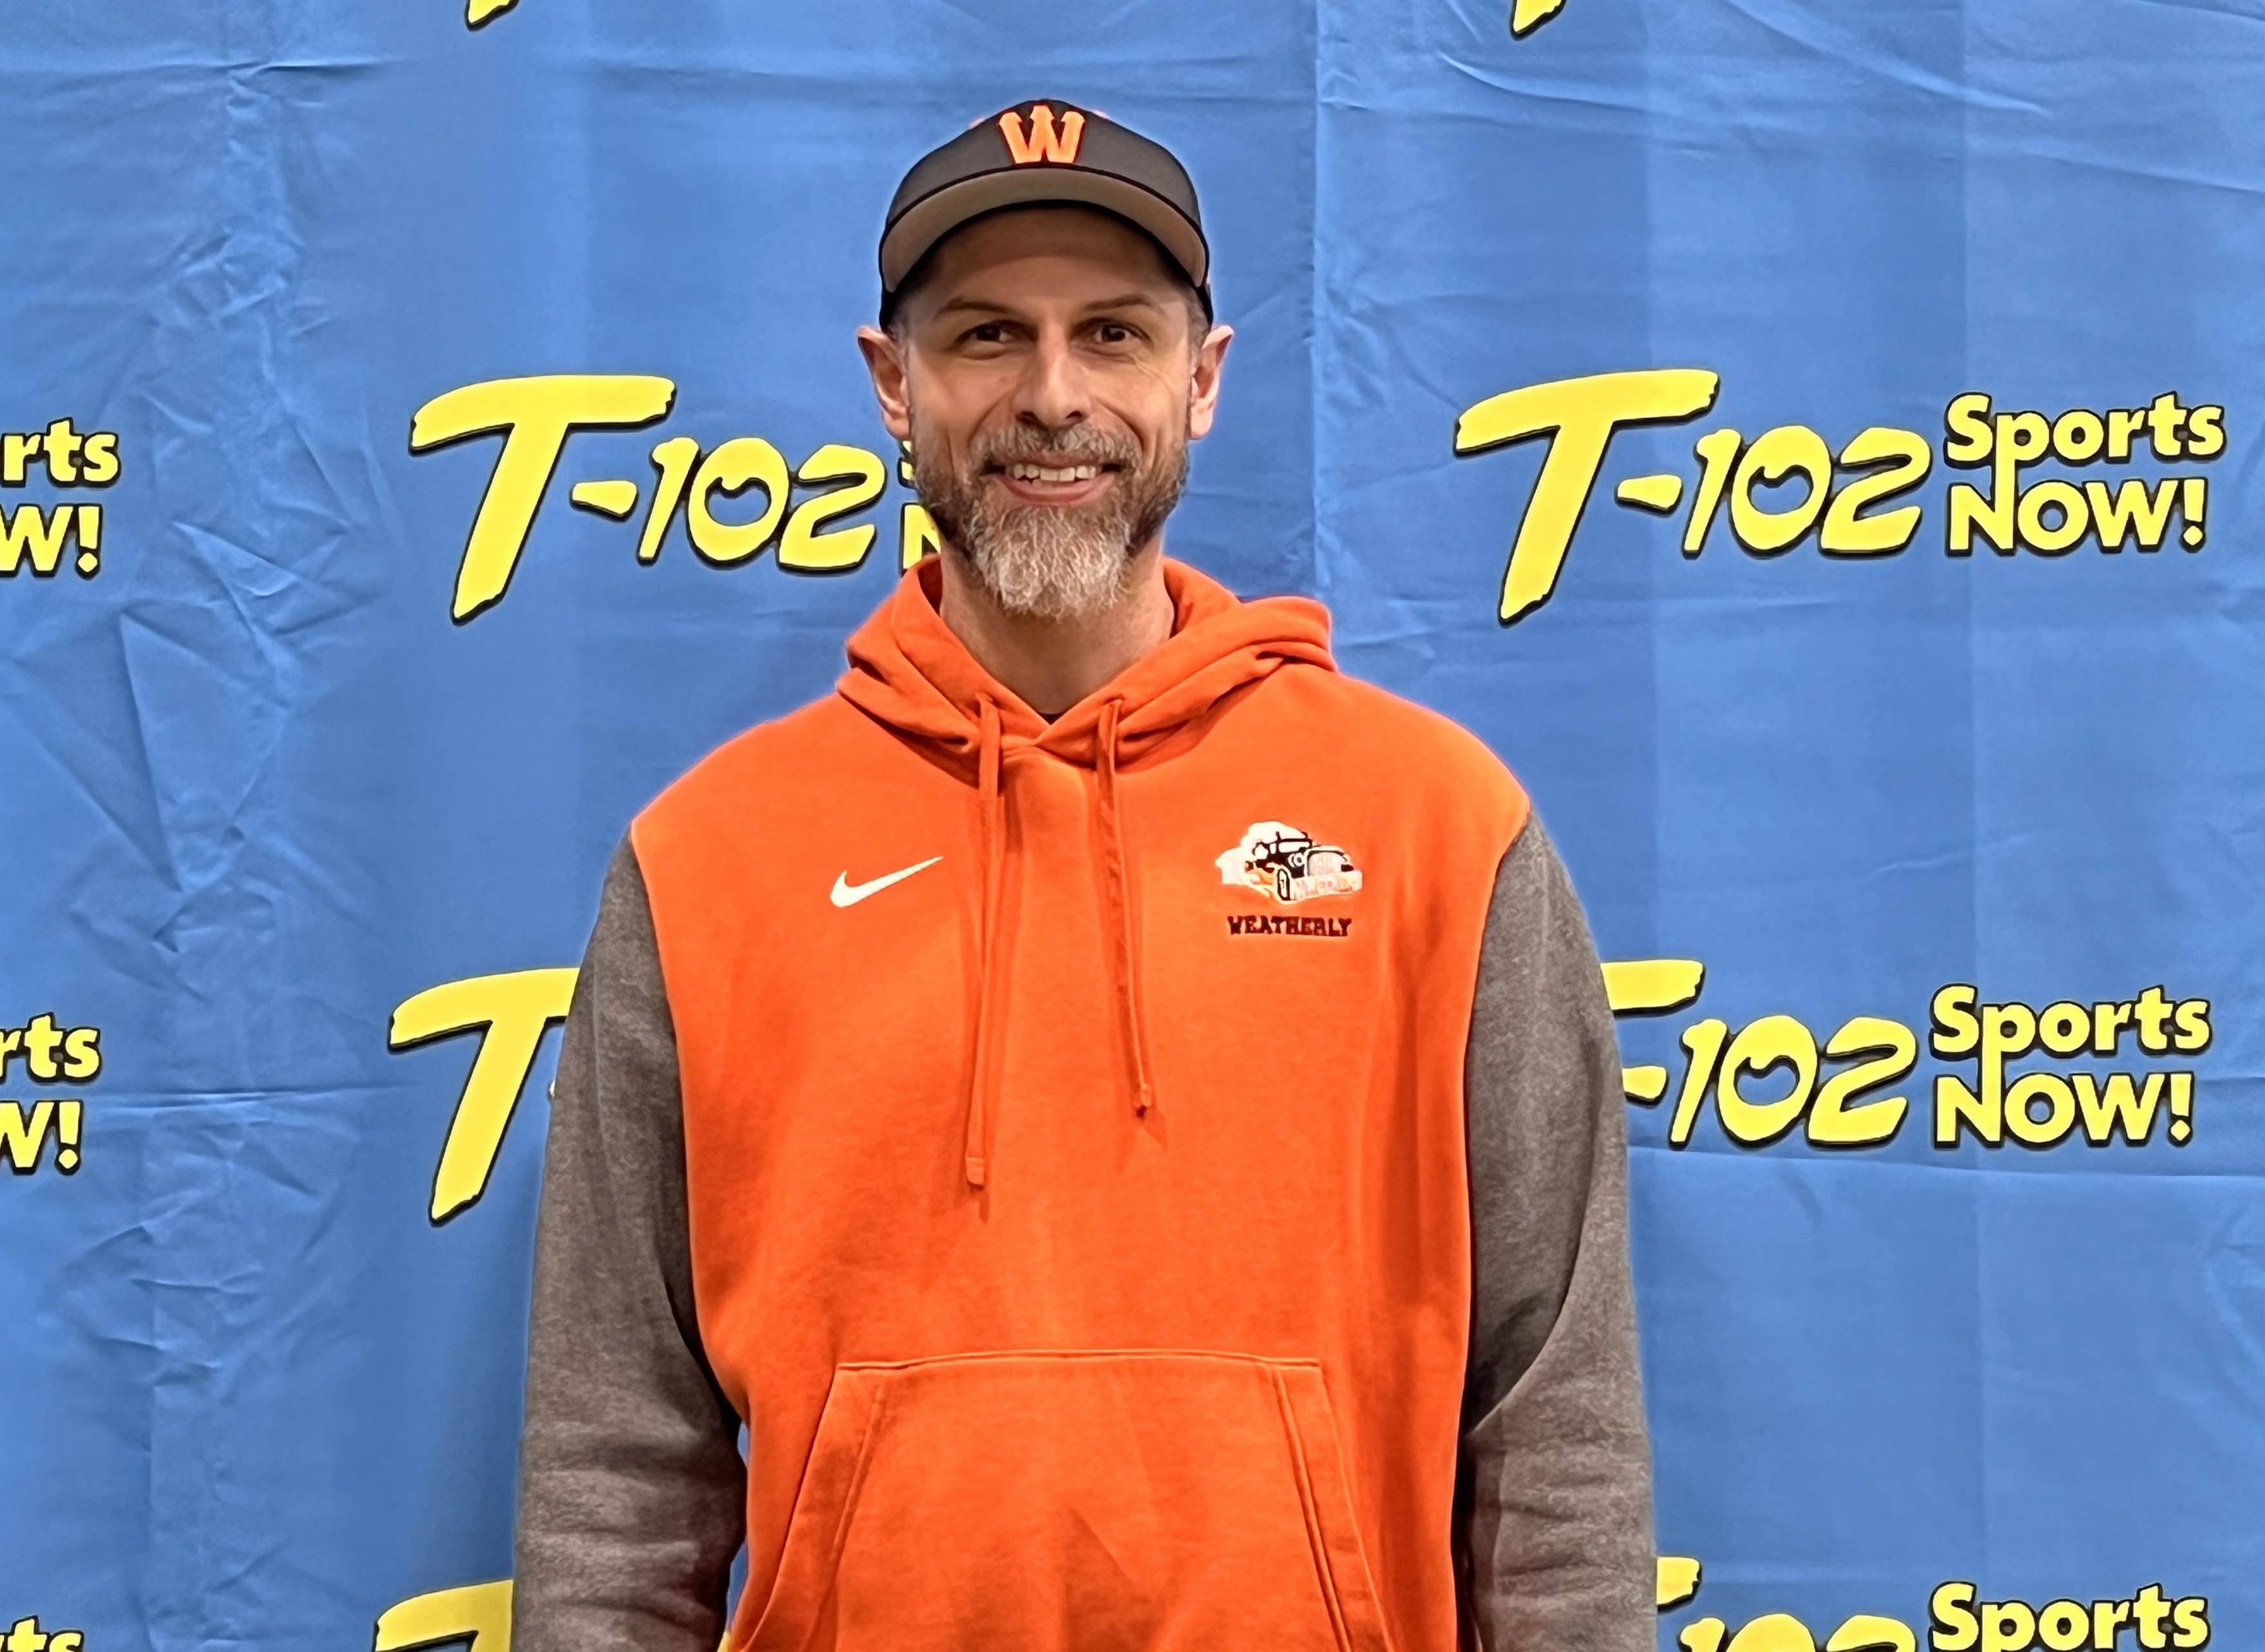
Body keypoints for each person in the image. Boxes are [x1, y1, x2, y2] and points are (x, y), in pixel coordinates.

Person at [510, 100, 1652, 1651]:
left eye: (1113, 334)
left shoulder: (1439, 831)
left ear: (1203, 379)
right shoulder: (705, 863)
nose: (1053, 397)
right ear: (892, 384)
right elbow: (614, 1480)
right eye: (988, 335)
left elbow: (1559, 1440)